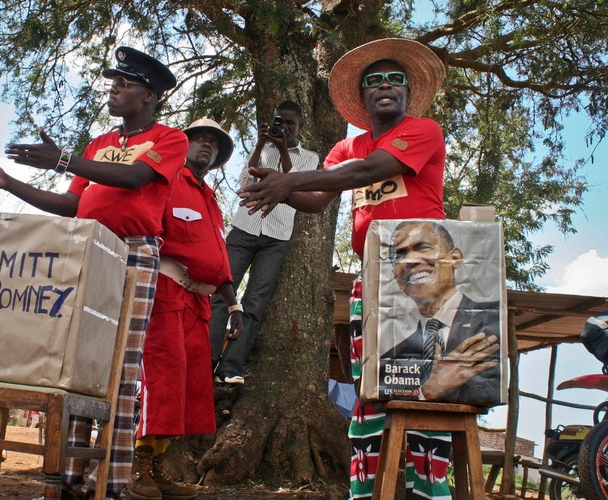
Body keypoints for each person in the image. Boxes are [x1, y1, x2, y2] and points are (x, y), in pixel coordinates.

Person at [0, 46, 187, 500]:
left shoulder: (169, 139)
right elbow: (75, 205)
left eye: (125, 84)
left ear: (150, 96)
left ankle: (111, 484)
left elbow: (137, 178)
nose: (114, 89)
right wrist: (11, 183)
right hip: (89, 250)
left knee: (120, 369)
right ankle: (69, 480)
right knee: (77, 364)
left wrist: (62, 160)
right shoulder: (98, 145)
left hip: (135, 254)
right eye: (113, 82)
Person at [238, 38, 452, 499]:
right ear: (364, 97)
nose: (385, 86)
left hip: (423, 273)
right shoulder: (344, 146)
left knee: (424, 382)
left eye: (395, 79)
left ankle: (425, 489)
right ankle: (372, 486)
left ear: (409, 93)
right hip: (369, 274)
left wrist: (288, 179)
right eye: (374, 81)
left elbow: (365, 172)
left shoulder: (423, 130)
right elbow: (316, 200)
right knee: (372, 384)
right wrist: (277, 183)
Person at [130, 119, 243, 500]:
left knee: (184, 388)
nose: (207, 147)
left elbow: (218, 259)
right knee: (160, 381)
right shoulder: (165, 179)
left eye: (214, 144)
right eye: (199, 140)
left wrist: (235, 305)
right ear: (183, 143)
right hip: (164, 292)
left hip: (199, 303)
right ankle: (136, 466)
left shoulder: (209, 198)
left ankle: (158, 466)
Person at [208, 101, 319, 385]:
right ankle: (206, 360)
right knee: (222, 295)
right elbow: (245, 180)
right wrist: (260, 145)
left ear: (301, 127)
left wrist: (283, 150)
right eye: (279, 121)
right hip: (244, 228)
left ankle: (230, 368)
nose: (284, 127)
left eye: (290, 123)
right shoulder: (261, 149)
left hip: (276, 236)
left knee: (255, 303)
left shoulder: (310, 157)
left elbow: (292, 183)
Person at [381, 220, 501, 404]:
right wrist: (427, 391)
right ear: (396, 277)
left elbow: (494, 390)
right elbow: (383, 400)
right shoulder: (391, 358)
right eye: (400, 255)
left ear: (455, 258)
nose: (410, 260)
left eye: (423, 248)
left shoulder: (493, 320)